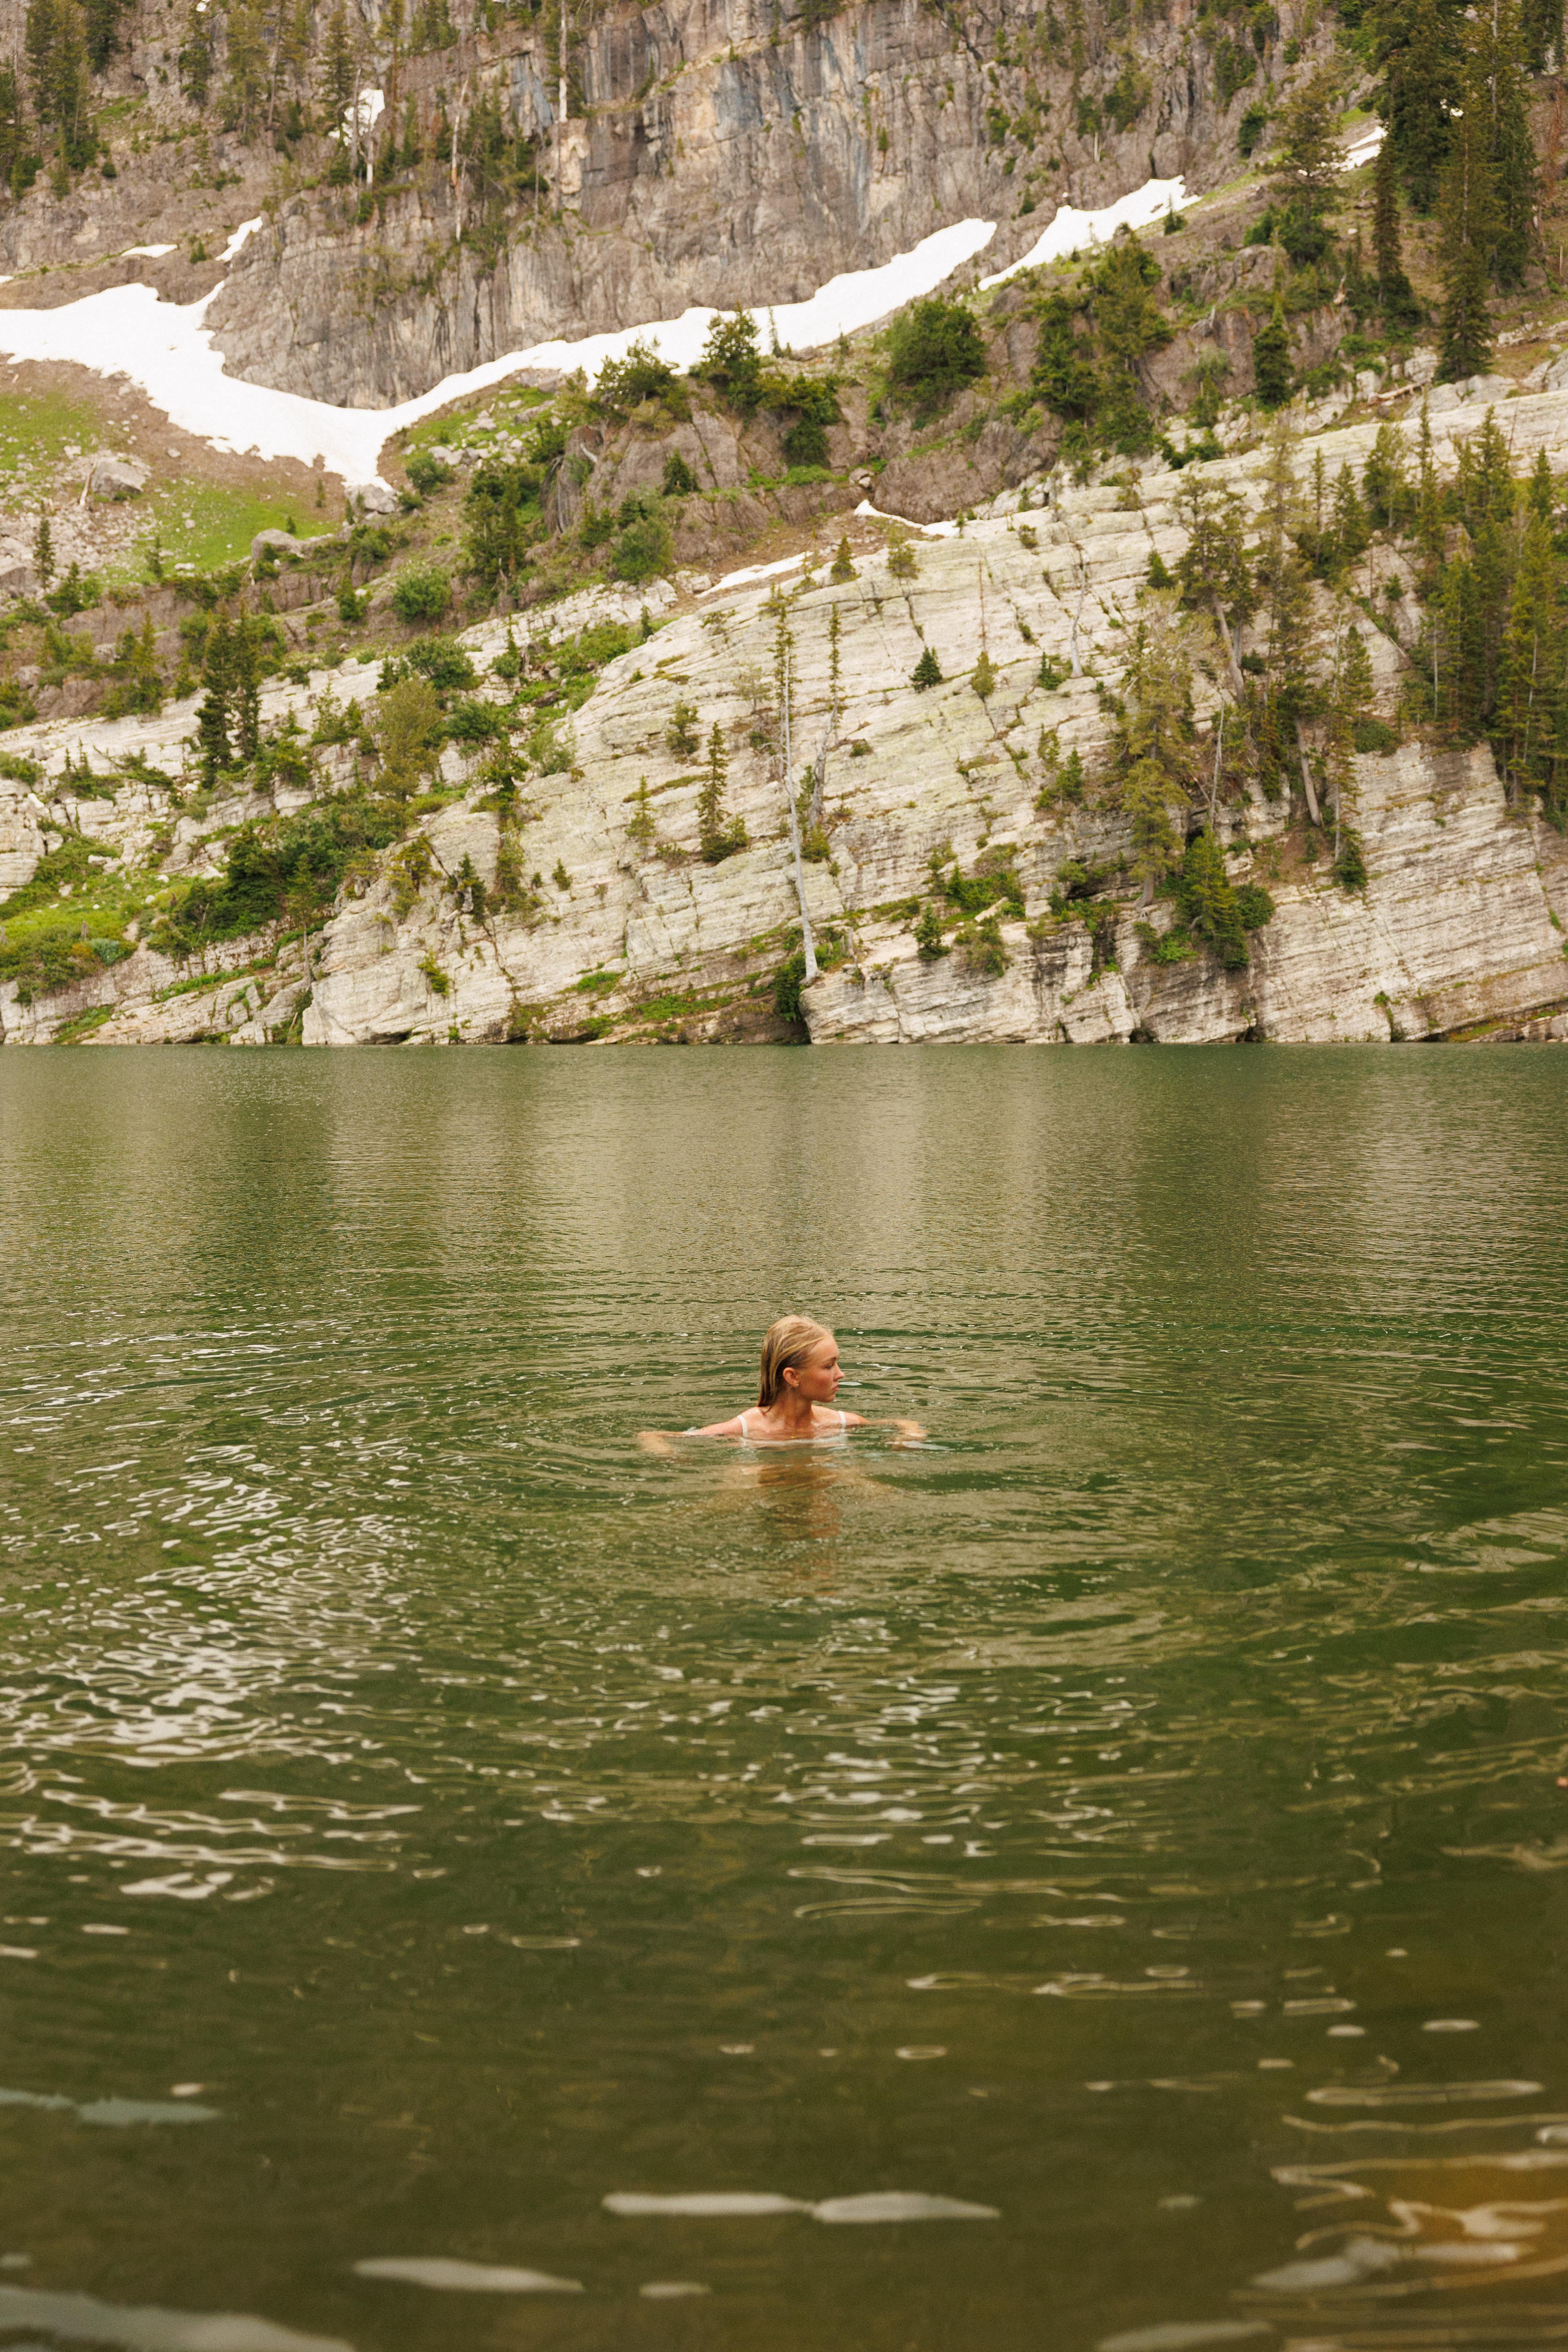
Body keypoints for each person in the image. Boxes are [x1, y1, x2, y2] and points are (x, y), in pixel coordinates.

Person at [638, 1315, 925, 1453]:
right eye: (829, 1366)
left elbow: (905, 1423)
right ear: (792, 1377)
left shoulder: (838, 1422)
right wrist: (669, 1455)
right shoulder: (748, 1428)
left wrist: (908, 1436)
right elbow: (651, 1436)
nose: (841, 1375)